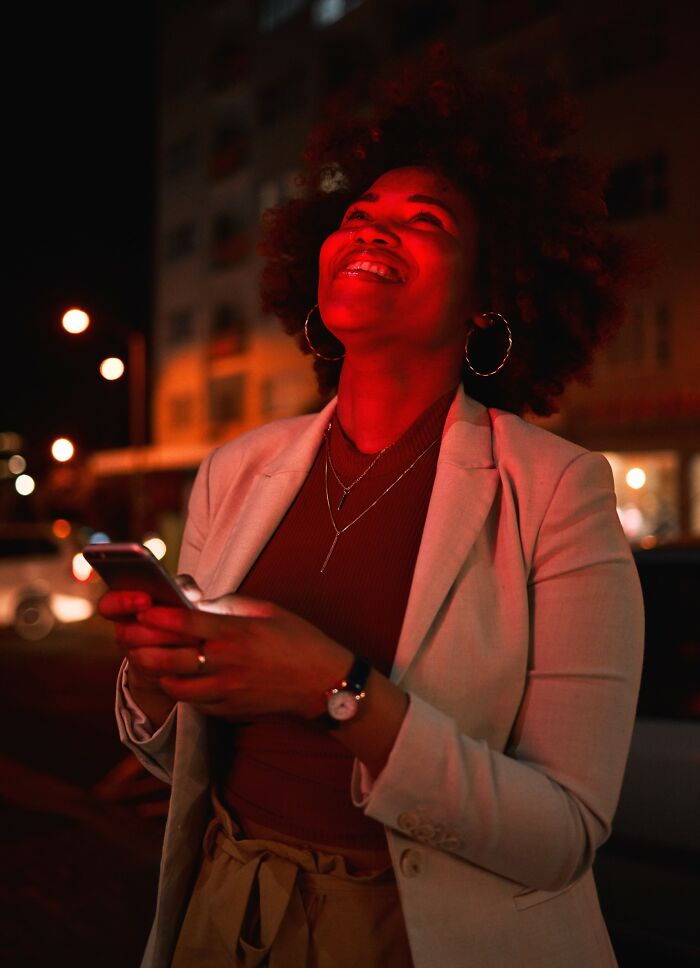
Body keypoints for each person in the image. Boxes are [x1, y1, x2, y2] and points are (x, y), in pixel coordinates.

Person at [102, 51, 644, 968]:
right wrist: (158, 679)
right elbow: (181, 760)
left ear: (486, 301)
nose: (374, 231)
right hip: (221, 910)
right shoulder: (238, 469)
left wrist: (337, 691)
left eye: (423, 221)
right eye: (358, 215)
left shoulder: (557, 490)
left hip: (417, 937)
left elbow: (564, 834)